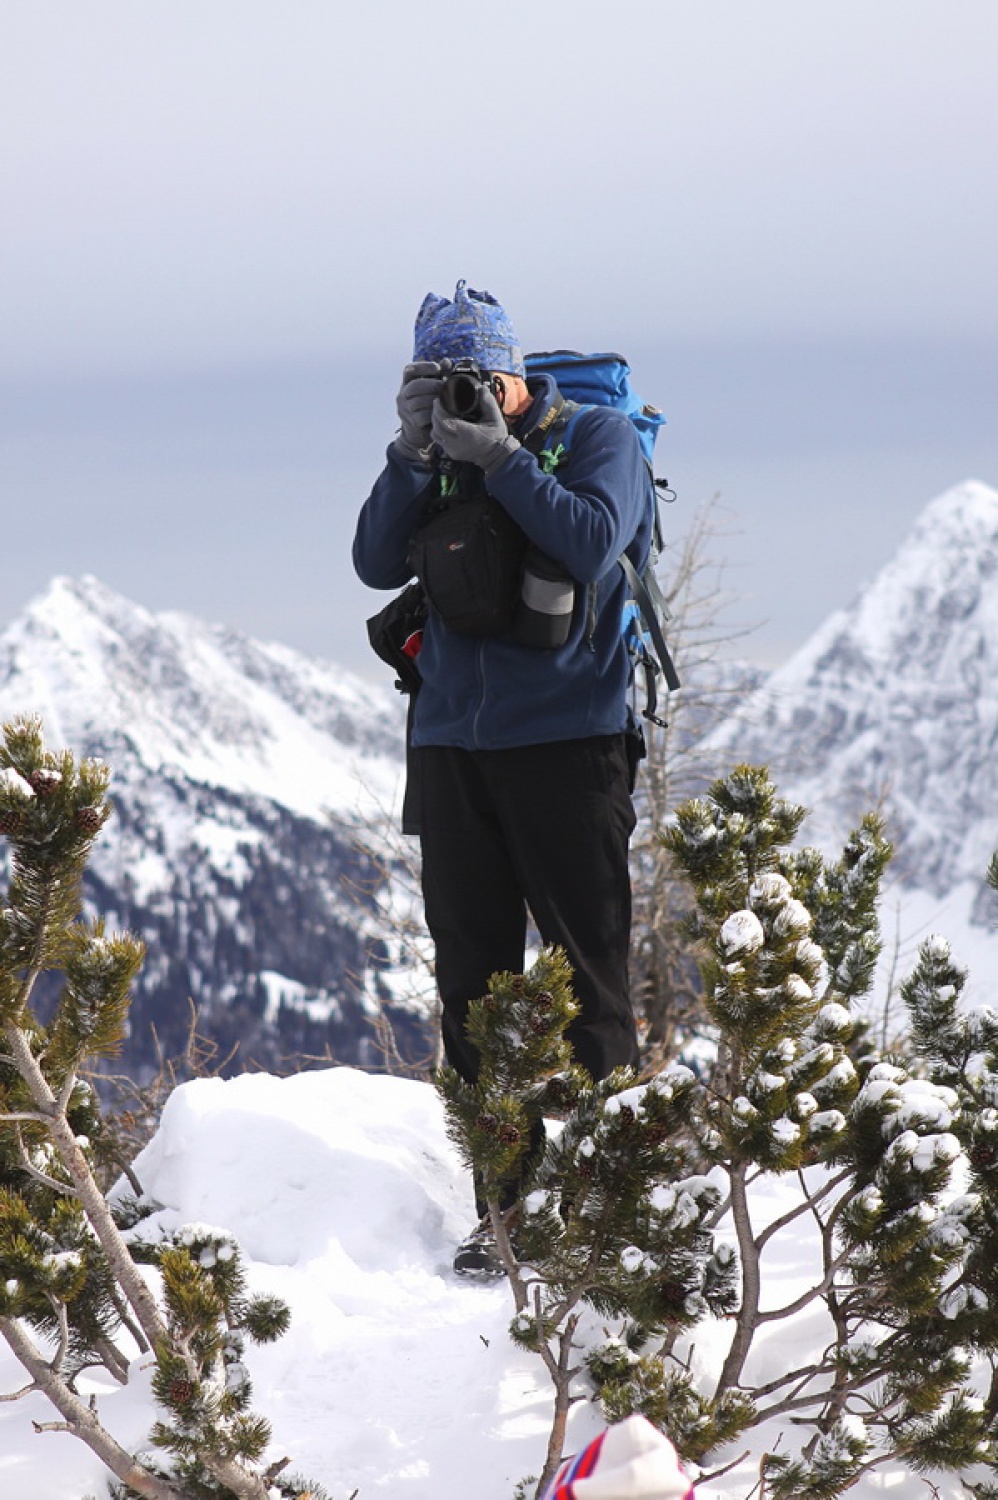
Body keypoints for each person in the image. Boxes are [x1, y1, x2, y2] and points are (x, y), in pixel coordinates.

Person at [353, 281, 652, 1276]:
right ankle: (508, 1214)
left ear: (514, 373)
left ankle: (612, 1209)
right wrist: (410, 455)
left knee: (588, 979)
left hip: (570, 746)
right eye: (438, 377)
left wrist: (502, 459)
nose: (464, 393)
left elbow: (592, 540)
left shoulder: (597, 436)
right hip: (451, 748)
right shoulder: (433, 458)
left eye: (477, 374)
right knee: (473, 991)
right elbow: (371, 561)